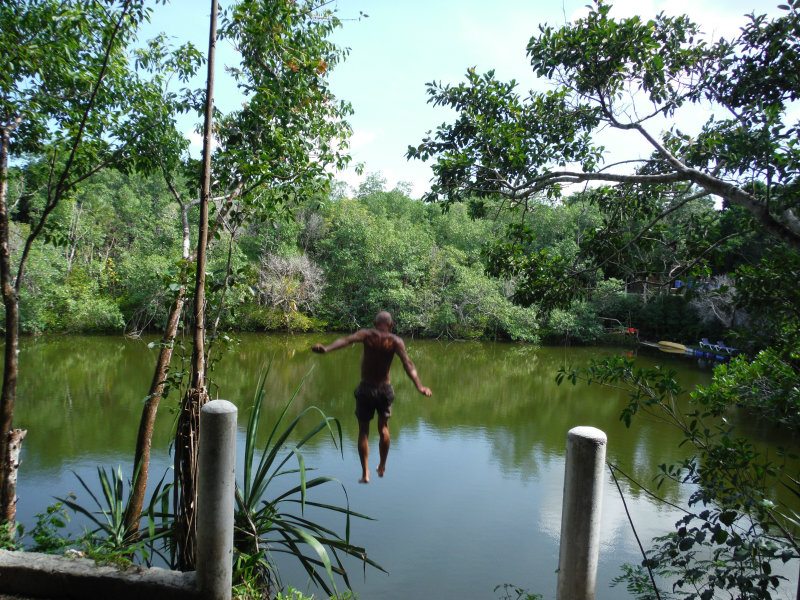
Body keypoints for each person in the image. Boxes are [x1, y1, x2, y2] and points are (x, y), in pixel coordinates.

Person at [311, 311, 432, 483]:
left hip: (366, 389)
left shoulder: (367, 335)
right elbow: (408, 364)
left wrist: (327, 348)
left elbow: (345, 341)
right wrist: (419, 386)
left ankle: (365, 473)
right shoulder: (395, 341)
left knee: (363, 432)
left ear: (375, 323)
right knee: (383, 428)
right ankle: (382, 465)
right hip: (384, 390)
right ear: (391, 325)